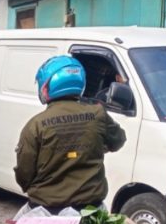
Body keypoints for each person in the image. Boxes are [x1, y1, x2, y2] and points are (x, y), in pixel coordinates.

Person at [14, 55, 126, 212]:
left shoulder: (36, 125)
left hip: (46, 208)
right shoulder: (98, 114)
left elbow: (24, 172)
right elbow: (119, 140)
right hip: (90, 209)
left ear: (46, 87)